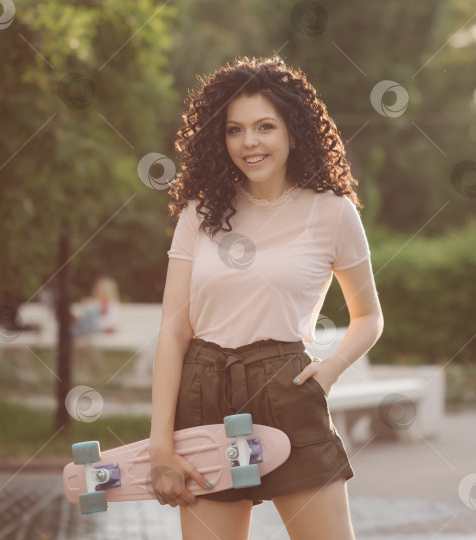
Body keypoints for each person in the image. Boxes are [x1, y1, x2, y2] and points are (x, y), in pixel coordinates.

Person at [149, 55, 384, 540]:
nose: (249, 142)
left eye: (264, 127)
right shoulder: (200, 213)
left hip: (287, 390)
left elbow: (369, 317)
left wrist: (333, 368)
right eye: (235, 130)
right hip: (204, 393)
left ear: (293, 131)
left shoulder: (333, 213)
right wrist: (160, 444)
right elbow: (174, 330)